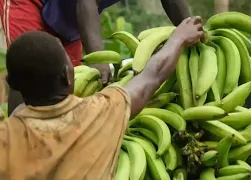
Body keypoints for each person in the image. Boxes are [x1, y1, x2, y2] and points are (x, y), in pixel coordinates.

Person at [0, 16, 204, 179]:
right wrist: (178, 38)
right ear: (67, 76)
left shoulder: (5, 137)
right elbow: (151, 78)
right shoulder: (102, 112)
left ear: (11, 83)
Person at [0, 0, 191, 116]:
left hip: (68, 19)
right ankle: (16, 147)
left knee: (67, 84)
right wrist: (99, 60)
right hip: (30, 3)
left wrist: (191, 28)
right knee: (28, 65)